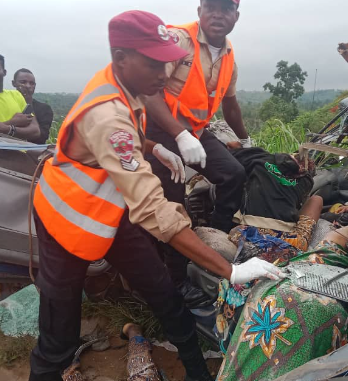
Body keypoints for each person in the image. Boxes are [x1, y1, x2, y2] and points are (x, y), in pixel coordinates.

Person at [29, 11, 283, 381]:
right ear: (121, 58)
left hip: (114, 210)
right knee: (60, 325)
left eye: (168, 62)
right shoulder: (107, 112)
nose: (164, 74)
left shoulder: (125, 86)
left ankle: (197, 372)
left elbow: (123, 143)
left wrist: (154, 147)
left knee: (163, 291)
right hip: (66, 219)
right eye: (153, 63)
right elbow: (152, 208)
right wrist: (230, 269)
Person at [144, 0, 250, 307]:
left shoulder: (229, 57)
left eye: (226, 8)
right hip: (159, 131)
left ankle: (212, 237)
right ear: (200, 11)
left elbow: (230, 105)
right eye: (211, 7)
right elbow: (149, 92)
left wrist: (246, 140)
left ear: (236, 16)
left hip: (195, 133)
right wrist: (177, 134)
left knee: (233, 173)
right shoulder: (178, 41)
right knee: (173, 206)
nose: (218, 14)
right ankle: (176, 281)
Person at [12, 68, 54, 144]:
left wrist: (28, 102)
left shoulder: (44, 109)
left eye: (32, 83)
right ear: (14, 83)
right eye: (23, 82)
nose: (28, 86)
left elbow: (41, 137)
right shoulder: (7, 104)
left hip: (32, 153)